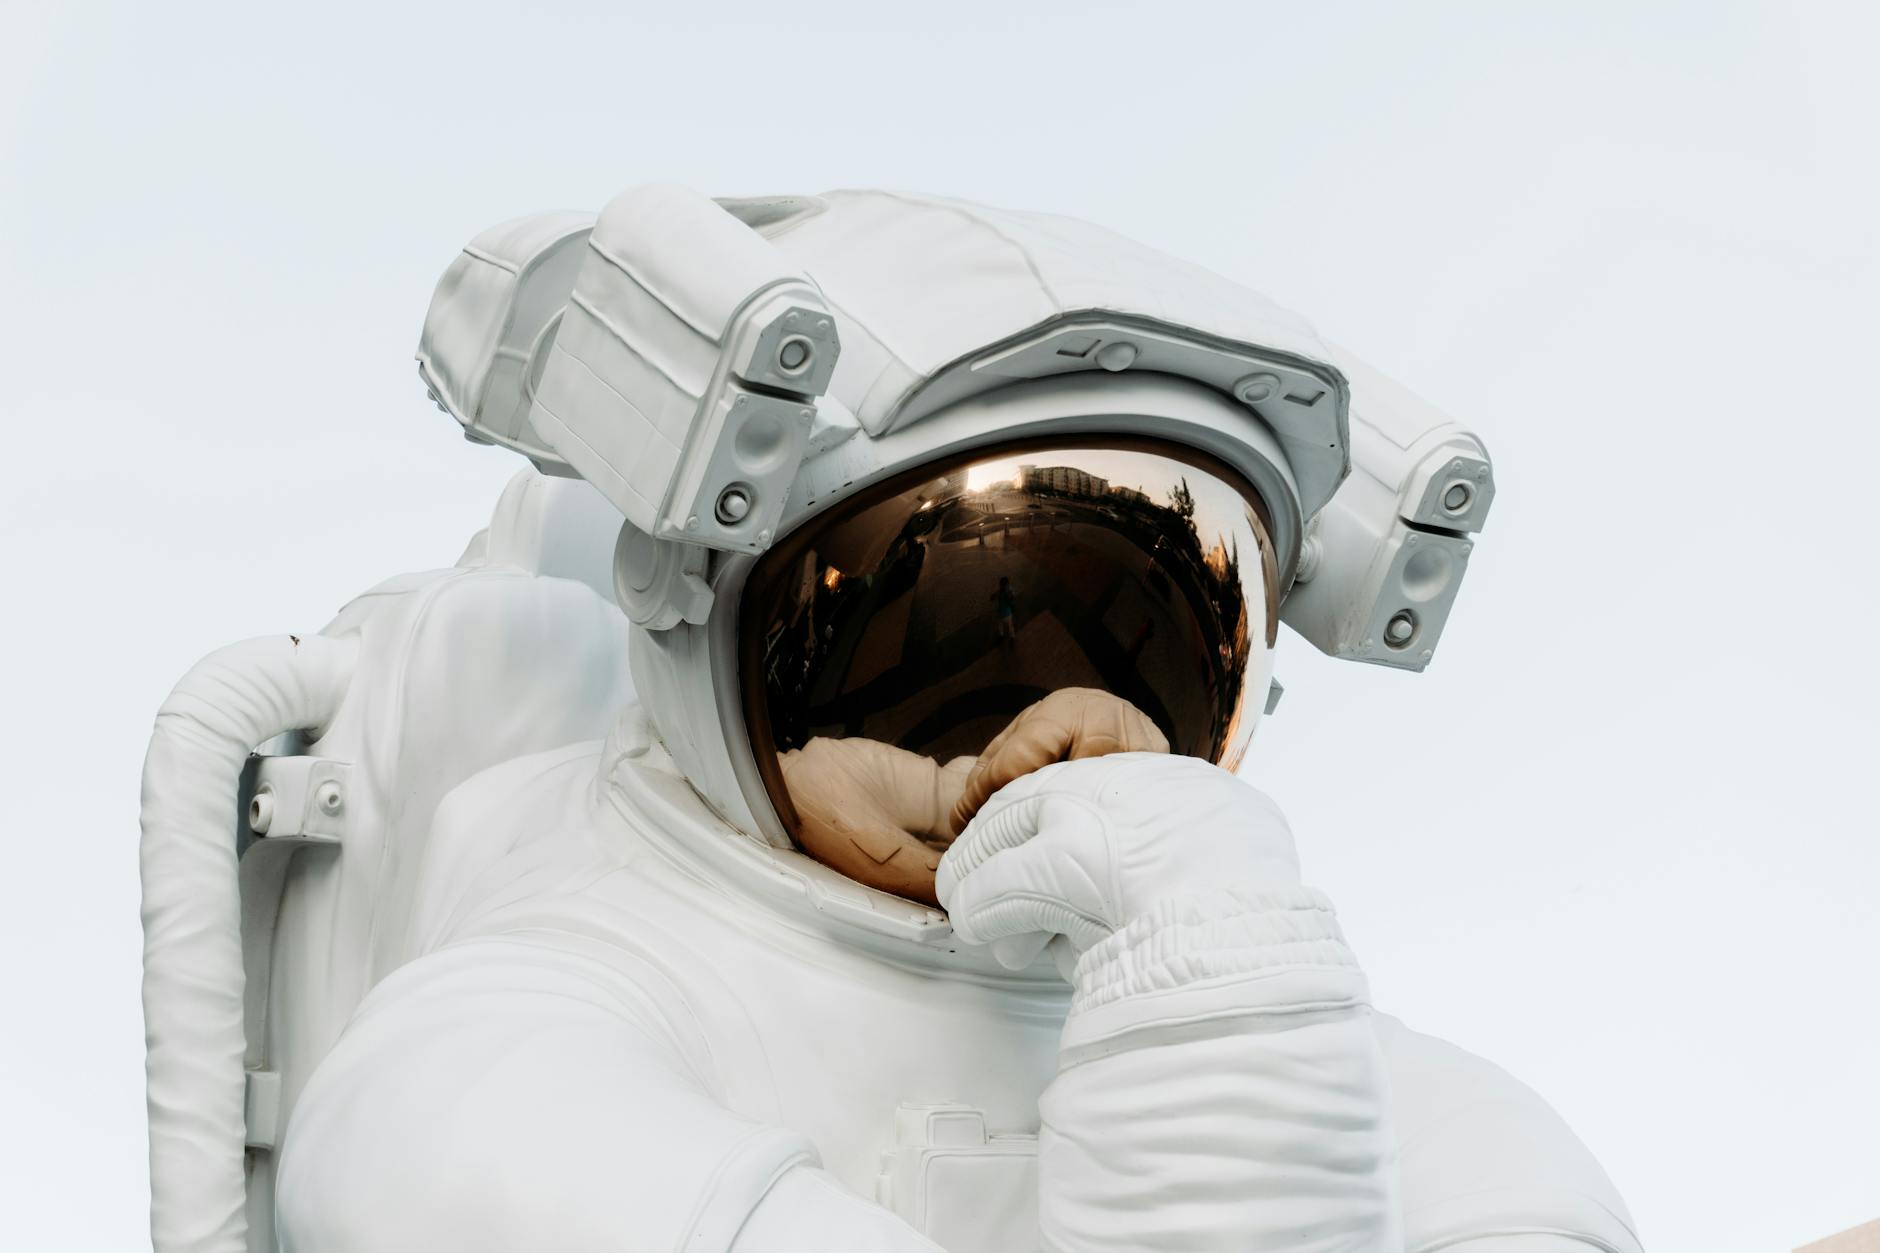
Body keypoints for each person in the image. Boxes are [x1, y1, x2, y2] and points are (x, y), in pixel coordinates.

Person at [141, 189, 1642, 1253]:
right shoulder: (540, 1014)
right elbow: (439, 1148)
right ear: (708, 640)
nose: (1052, 744)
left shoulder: (1220, 959)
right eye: (928, 675)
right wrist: (1216, 1022)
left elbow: (1526, 1208)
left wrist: (1211, 961)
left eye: (1152, 665)